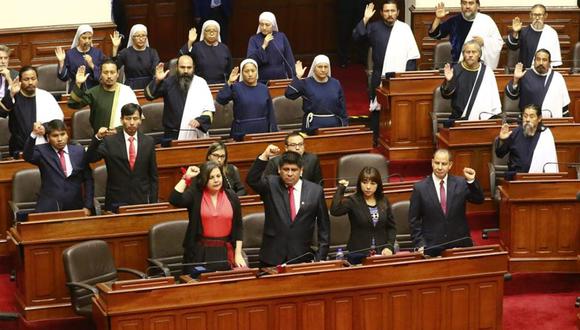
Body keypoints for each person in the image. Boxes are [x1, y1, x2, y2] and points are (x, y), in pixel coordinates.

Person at [246, 144, 330, 266]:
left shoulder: (315, 191)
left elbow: (324, 227)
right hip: (271, 257)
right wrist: (264, 155)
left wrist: (320, 257)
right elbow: (252, 179)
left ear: (301, 171)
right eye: (286, 169)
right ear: (279, 170)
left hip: (301, 256)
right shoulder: (270, 184)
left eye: (294, 170)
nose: (290, 174)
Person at [352, 1, 420, 144]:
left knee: (400, 109)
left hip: (400, 77)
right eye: (387, 11)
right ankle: (376, 138)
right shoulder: (374, 27)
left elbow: (412, 57)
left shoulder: (405, 29)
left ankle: (399, 139)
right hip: (379, 76)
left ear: (398, 13)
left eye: (393, 11)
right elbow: (356, 38)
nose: (390, 14)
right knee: (378, 109)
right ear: (382, 13)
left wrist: (407, 78)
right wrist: (365, 19)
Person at [170, 161, 246, 275]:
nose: (216, 180)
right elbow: (174, 199)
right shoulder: (196, 194)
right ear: (204, 180)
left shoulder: (232, 196)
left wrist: (238, 253)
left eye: (218, 176)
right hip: (200, 252)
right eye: (211, 177)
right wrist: (187, 177)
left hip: (225, 251)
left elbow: (238, 227)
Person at [409, 148, 484, 257]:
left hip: (459, 244)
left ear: (450, 165)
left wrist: (471, 181)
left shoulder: (461, 183)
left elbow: (479, 199)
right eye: (437, 163)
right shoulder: (420, 188)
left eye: (444, 164)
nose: (439, 167)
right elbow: (414, 221)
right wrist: (420, 244)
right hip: (432, 246)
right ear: (432, 163)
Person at [85, 103, 158, 212]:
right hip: (116, 201)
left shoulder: (149, 142)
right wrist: (97, 138)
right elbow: (90, 158)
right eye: (128, 118)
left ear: (140, 120)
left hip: (141, 200)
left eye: (135, 118)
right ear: (121, 120)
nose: (132, 122)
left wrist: (153, 203)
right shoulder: (109, 141)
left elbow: (153, 176)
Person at [23, 120, 93, 215]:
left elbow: (88, 179)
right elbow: (27, 156)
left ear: (67, 134)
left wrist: (88, 206)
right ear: (48, 137)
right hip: (49, 207)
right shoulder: (42, 151)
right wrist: (34, 134)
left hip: (75, 206)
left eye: (62, 134)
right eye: (55, 136)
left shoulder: (79, 151)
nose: (60, 139)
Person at [330, 166, 396, 264]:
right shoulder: (353, 201)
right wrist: (341, 188)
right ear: (359, 183)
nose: (368, 187)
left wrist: (389, 247)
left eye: (372, 183)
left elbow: (391, 227)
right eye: (364, 182)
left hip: (382, 253)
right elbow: (335, 211)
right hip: (358, 254)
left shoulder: (383, 200)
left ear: (378, 185)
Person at [145, 55, 215, 140]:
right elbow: (149, 96)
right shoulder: (168, 83)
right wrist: (157, 80)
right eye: (182, 67)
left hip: (195, 133)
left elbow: (209, 110)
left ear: (193, 68)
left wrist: (200, 121)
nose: (186, 71)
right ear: (177, 67)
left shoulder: (201, 83)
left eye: (189, 68)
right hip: (172, 135)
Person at [0, 66, 63, 156]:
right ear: (20, 81)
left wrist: (45, 128)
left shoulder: (46, 96)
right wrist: (11, 94)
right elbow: (2, 113)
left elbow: (58, 120)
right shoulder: (14, 95)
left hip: (44, 147)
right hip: (19, 149)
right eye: (26, 79)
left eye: (33, 79)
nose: (30, 82)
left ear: (37, 80)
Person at [429, 1, 503, 69]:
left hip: (480, 69)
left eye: (471, 3)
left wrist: (484, 41)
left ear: (478, 6)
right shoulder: (454, 21)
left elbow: (498, 42)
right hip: (458, 67)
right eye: (464, 3)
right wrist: (438, 18)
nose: (467, 6)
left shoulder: (486, 21)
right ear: (461, 5)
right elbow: (434, 34)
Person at [68, 60, 138, 132]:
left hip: (123, 136)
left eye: (112, 72)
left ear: (118, 74)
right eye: (105, 72)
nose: (109, 76)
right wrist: (78, 84)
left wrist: (117, 130)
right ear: (100, 74)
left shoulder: (126, 91)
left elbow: (137, 119)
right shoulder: (93, 92)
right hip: (100, 138)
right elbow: (73, 104)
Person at [216, 59, 277, 141]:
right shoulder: (236, 87)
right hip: (241, 132)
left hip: (262, 131)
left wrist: (273, 133)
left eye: (253, 70)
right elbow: (221, 99)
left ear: (257, 71)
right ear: (242, 73)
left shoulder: (264, 88)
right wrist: (230, 82)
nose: (250, 74)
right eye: (246, 71)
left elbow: (271, 114)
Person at [440, 41, 501, 120]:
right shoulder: (456, 70)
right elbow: (446, 95)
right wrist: (449, 81)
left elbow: (493, 97)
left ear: (479, 54)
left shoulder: (487, 72)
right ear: (463, 54)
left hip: (482, 118)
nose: (470, 55)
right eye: (467, 52)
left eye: (474, 52)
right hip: (459, 118)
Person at [285, 55, 348, 132]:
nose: (323, 70)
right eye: (320, 67)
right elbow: (289, 94)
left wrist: (345, 126)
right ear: (314, 68)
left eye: (326, 67)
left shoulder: (335, 83)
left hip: (333, 126)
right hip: (313, 126)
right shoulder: (306, 83)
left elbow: (342, 108)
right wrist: (298, 77)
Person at [495, 104, 558, 177]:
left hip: (539, 180)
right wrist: (502, 140)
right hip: (516, 178)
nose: (527, 119)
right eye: (525, 116)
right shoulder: (516, 132)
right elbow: (499, 154)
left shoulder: (545, 135)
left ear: (539, 118)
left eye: (531, 116)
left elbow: (550, 163)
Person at [505, 49, 570, 118]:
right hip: (528, 122)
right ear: (534, 61)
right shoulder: (525, 74)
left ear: (549, 63)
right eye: (538, 59)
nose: (541, 63)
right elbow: (512, 95)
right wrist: (516, 79)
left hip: (552, 121)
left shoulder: (557, 77)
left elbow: (564, 105)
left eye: (544, 60)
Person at [247, 11, 296, 82]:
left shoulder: (281, 36)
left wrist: (293, 78)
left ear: (273, 25)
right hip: (261, 80)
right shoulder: (254, 39)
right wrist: (263, 46)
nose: (264, 27)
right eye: (261, 24)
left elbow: (289, 59)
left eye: (267, 25)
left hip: (280, 78)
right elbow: (250, 61)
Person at [56, 25, 107, 90]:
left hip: (95, 90)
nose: (87, 41)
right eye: (84, 38)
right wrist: (61, 63)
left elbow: (103, 76)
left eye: (89, 38)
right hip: (76, 89)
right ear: (78, 38)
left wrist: (92, 65)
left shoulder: (98, 53)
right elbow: (64, 78)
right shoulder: (70, 54)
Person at [111, 24, 160, 89]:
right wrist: (115, 48)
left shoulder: (152, 52)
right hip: (131, 86)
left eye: (143, 35)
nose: (141, 38)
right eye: (138, 36)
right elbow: (114, 66)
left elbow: (156, 70)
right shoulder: (125, 52)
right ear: (132, 37)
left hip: (149, 86)